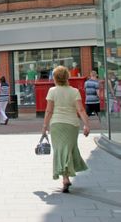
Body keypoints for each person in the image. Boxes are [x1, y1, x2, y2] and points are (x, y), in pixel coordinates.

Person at [42, 65, 90, 193]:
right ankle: (66, 177)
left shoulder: (52, 91)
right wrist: (86, 125)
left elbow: (49, 111)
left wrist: (44, 127)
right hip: (72, 125)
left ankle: (65, 178)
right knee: (68, 149)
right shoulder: (74, 91)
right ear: (67, 77)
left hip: (57, 124)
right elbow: (80, 110)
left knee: (60, 150)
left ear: (55, 78)